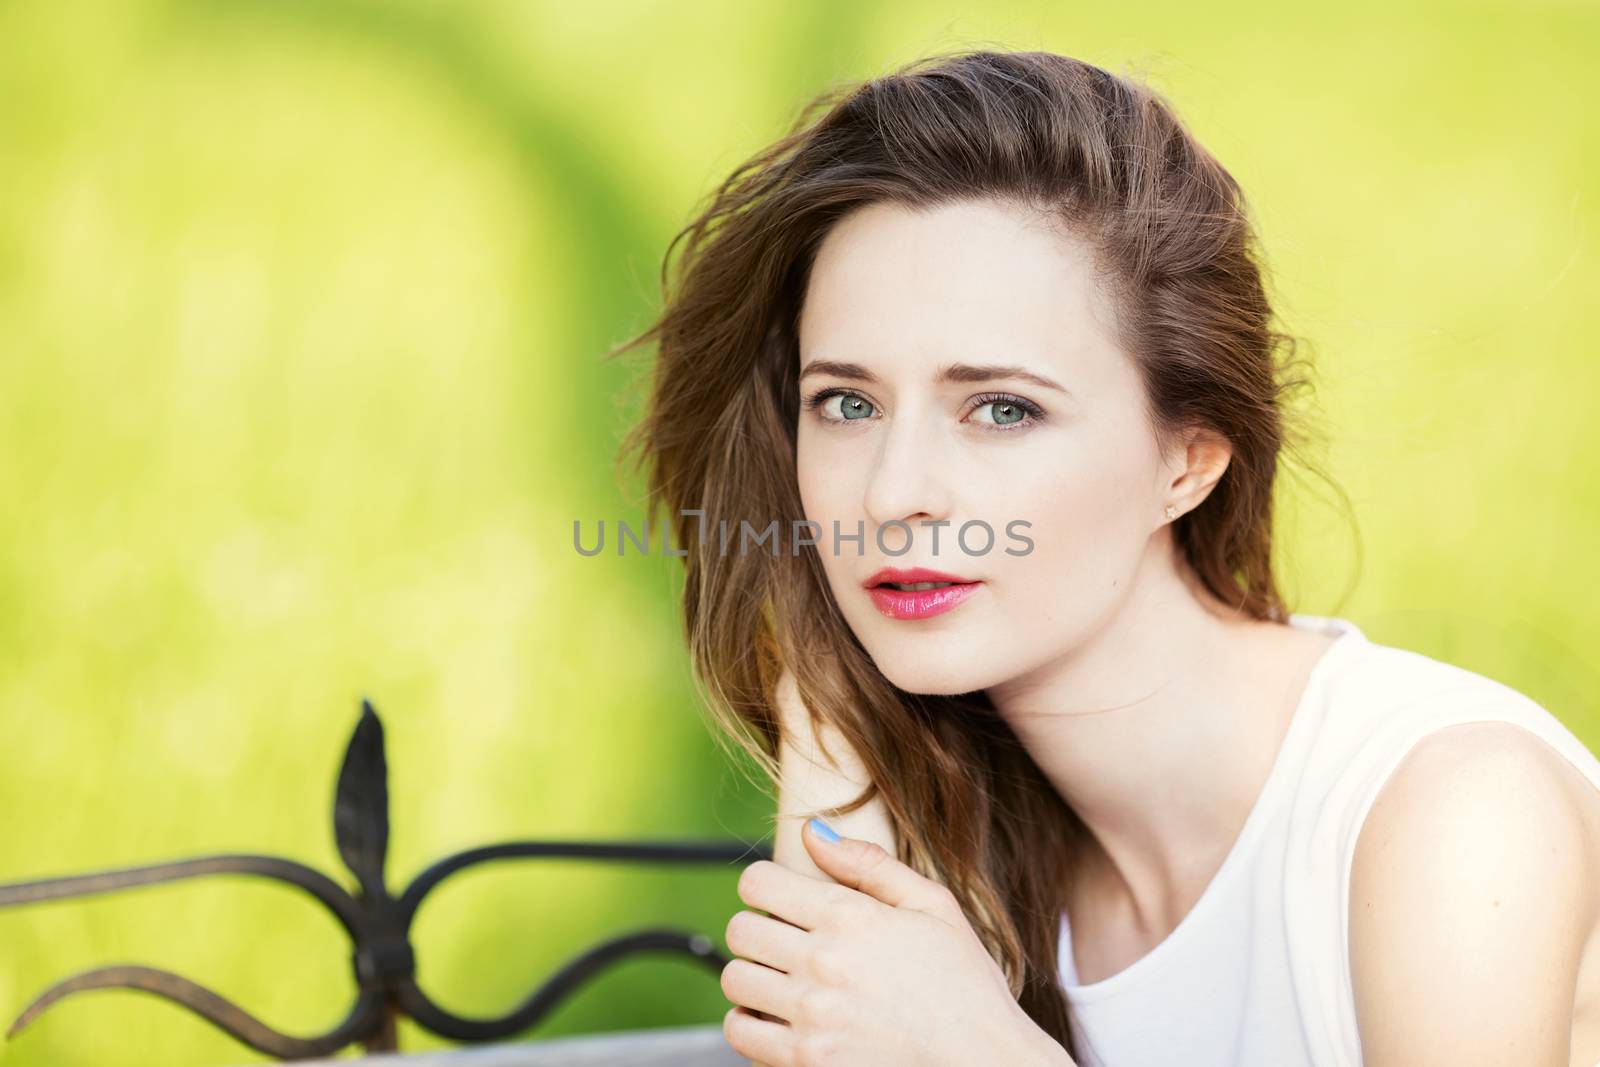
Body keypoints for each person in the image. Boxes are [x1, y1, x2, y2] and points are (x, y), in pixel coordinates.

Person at [613, 48, 1600, 1066]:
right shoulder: (988, 841)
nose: (890, 492)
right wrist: (823, 695)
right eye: (847, 403)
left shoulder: (1453, 814)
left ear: (1187, 461)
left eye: (1000, 408)